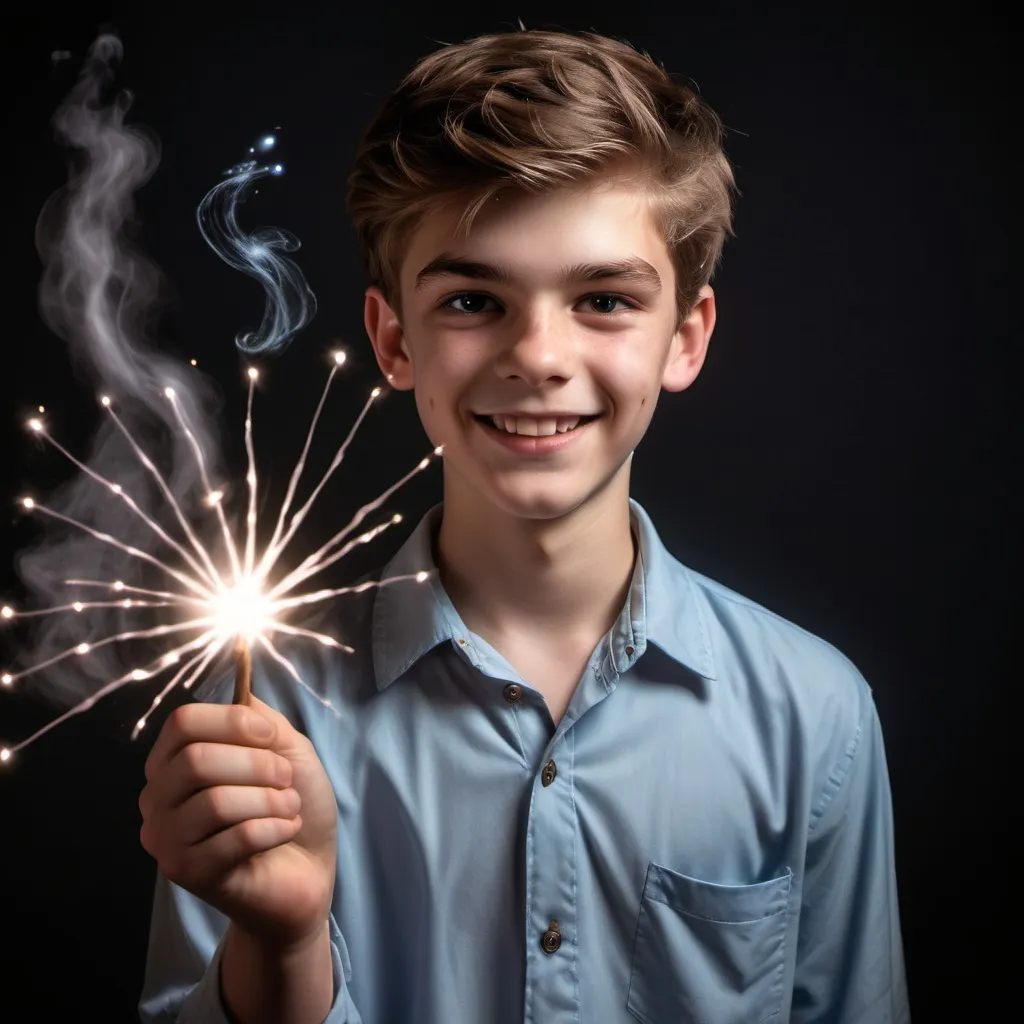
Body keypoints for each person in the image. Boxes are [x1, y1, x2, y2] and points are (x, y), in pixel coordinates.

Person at [137, 27, 910, 1024]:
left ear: (685, 338)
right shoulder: (267, 707)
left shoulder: (814, 715)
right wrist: (282, 943)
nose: (538, 356)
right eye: (471, 299)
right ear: (391, 339)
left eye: (602, 299)